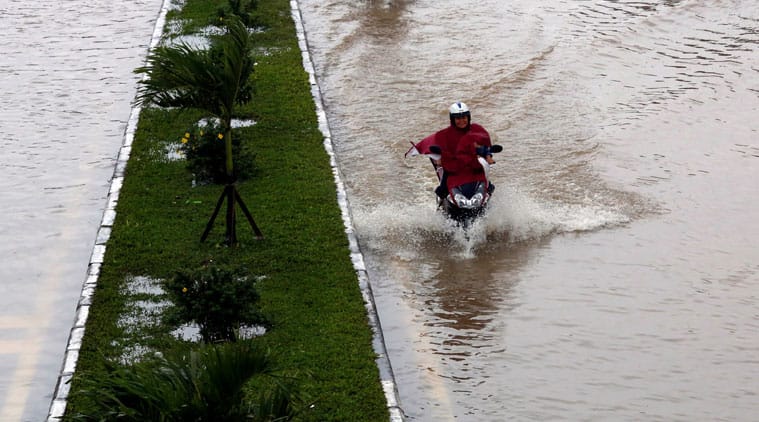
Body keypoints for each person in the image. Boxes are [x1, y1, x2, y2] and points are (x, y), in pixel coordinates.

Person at [425, 102, 495, 199]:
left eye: (464, 117)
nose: (462, 121)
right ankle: (442, 195)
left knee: (485, 171)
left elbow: (486, 146)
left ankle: (488, 186)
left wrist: (488, 156)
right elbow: (442, 149)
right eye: (458, 118)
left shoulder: (476, 130)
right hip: (455, 165)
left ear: (468, 117)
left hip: (474, 164)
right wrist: (441, 156)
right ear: (452, 119)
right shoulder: (447, 134)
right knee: (443, 186)